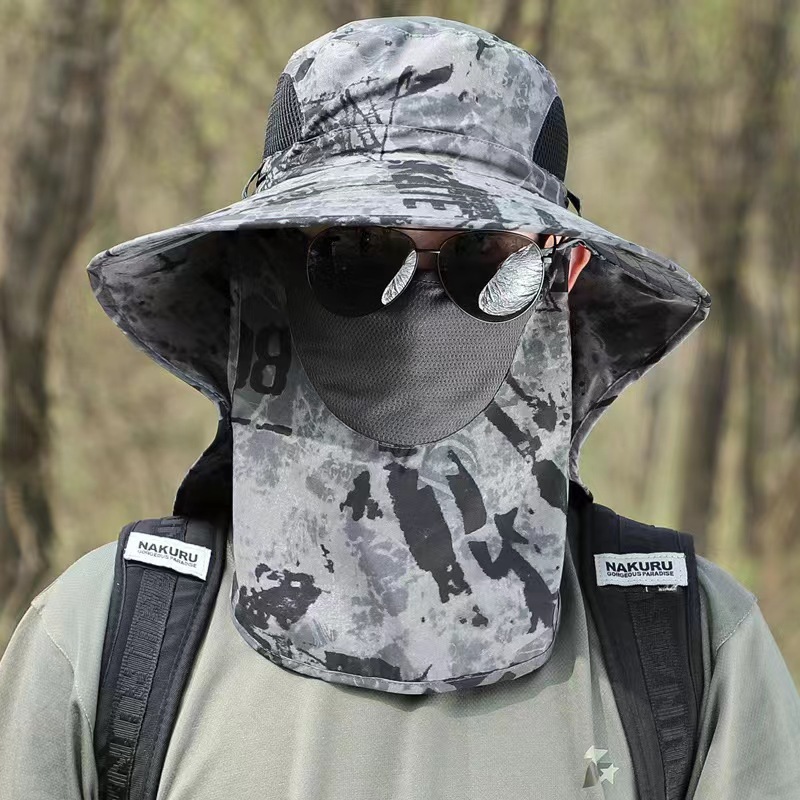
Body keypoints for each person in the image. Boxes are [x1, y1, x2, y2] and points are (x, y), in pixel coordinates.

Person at [1, 15, 798, 800]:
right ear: (265, 266)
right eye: (356, 251)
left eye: (483, 256)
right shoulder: (105, 646)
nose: (417, 321)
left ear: (566, 274)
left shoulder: (690, 657)